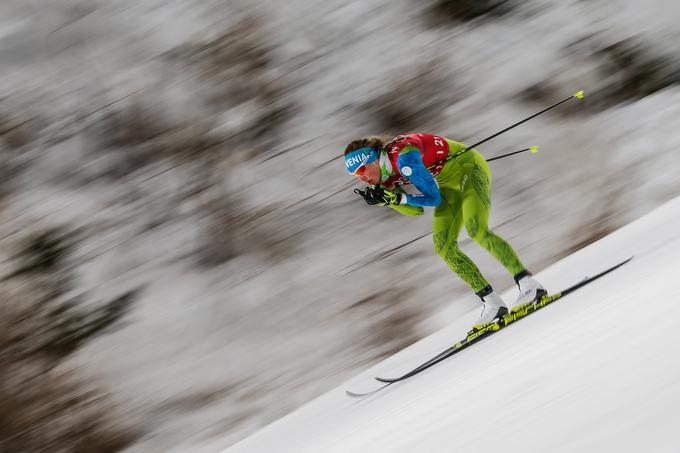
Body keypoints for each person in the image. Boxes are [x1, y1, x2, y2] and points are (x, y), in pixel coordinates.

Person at [344, 133, 546, 331]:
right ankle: (492, 302)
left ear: (374, 159)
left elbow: (432, 199)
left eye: (362, 170)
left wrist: (396, 199)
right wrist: (386, 200)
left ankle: (529, 284)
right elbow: (415, 210)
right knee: (443, 247)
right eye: (356, 175)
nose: (362, 178)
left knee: (476, 230)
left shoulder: (404, 157)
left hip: (470, 170)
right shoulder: (385, 176)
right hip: (448, 186)